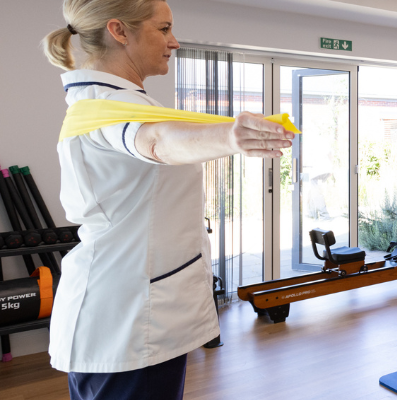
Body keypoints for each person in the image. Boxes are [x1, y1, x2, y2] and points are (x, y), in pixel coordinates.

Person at [42, 1, 292, 398]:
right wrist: (229, 137)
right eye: (164, 29)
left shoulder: (109, 103)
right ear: (119, 31)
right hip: (130, 321)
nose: (174, 42)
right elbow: (158, 141)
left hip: (128, 311)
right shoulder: (108, 109)